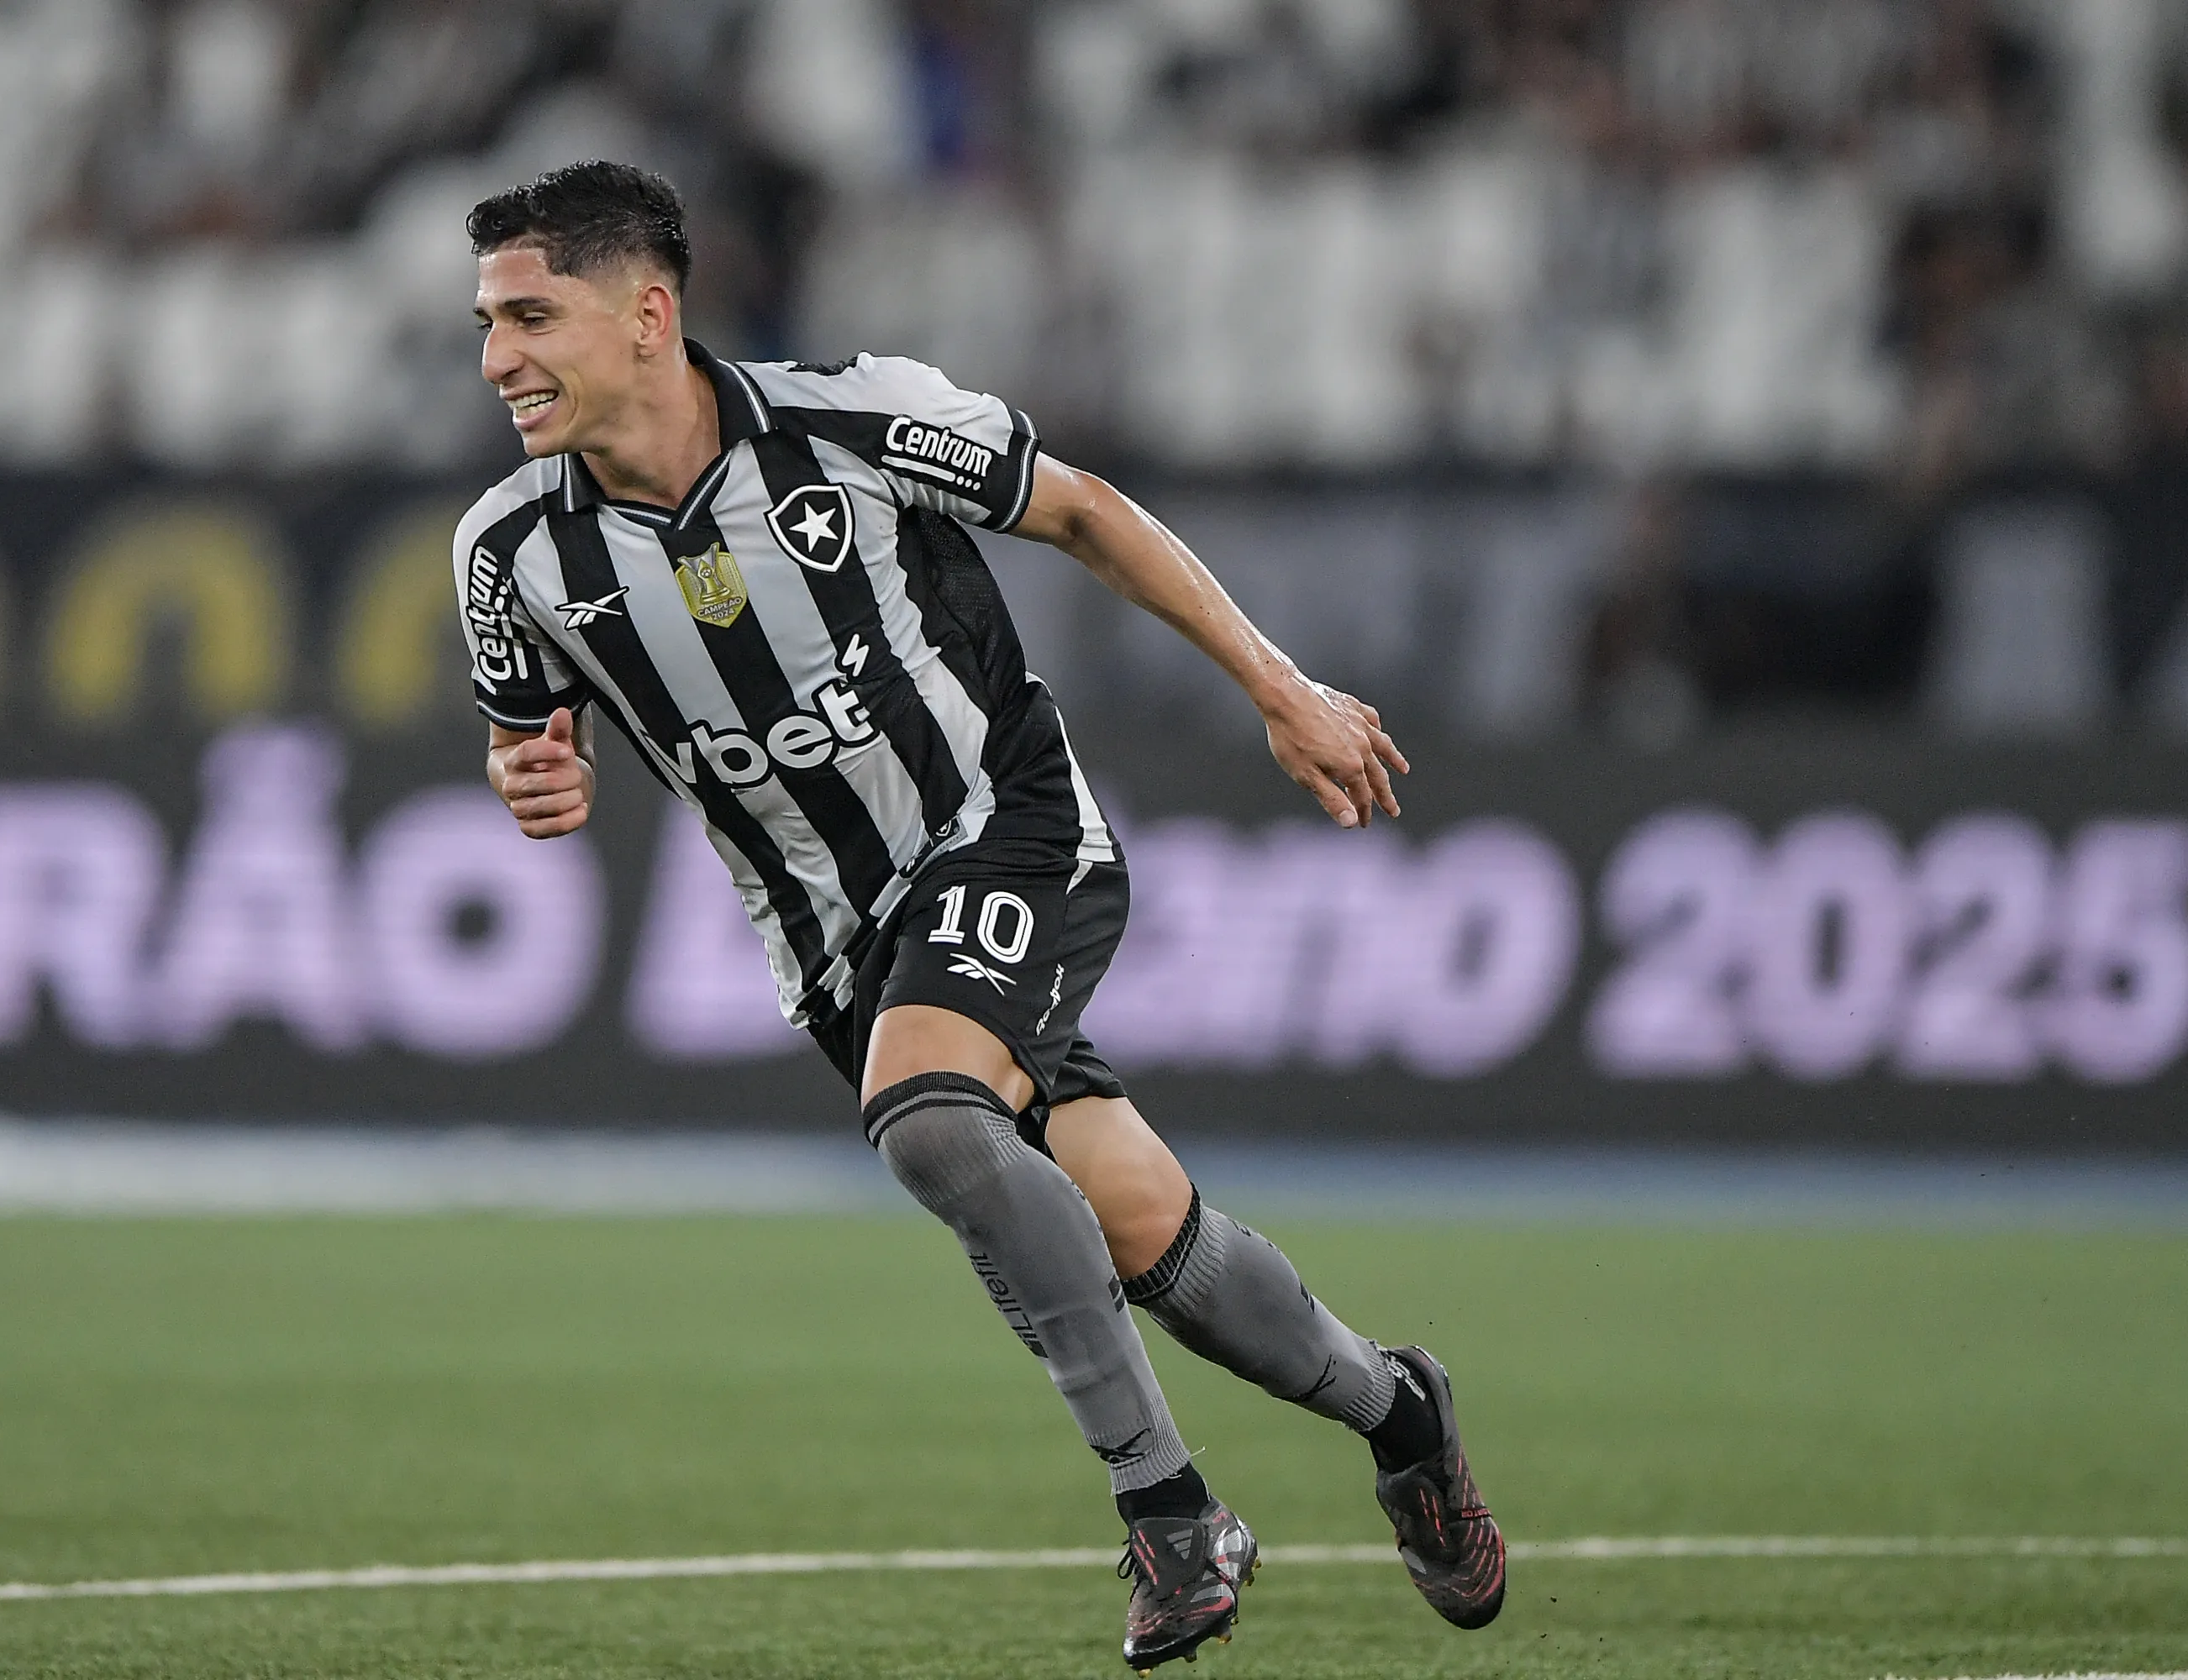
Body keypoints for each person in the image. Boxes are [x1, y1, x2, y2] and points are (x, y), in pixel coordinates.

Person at [454, 160, 1503, 1672]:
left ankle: (1171, 1515)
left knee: (934, 1120)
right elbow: (529, 733)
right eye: (487, 322)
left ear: (648, 316)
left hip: (1006, 832)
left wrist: (1281, 689)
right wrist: (528, 776)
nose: (497, 359)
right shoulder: (510, 555)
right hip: (832, 944)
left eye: (530, 316)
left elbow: (1079, 512)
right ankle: (1403, 1411)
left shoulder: (851, 422)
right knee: (1153, 1238)